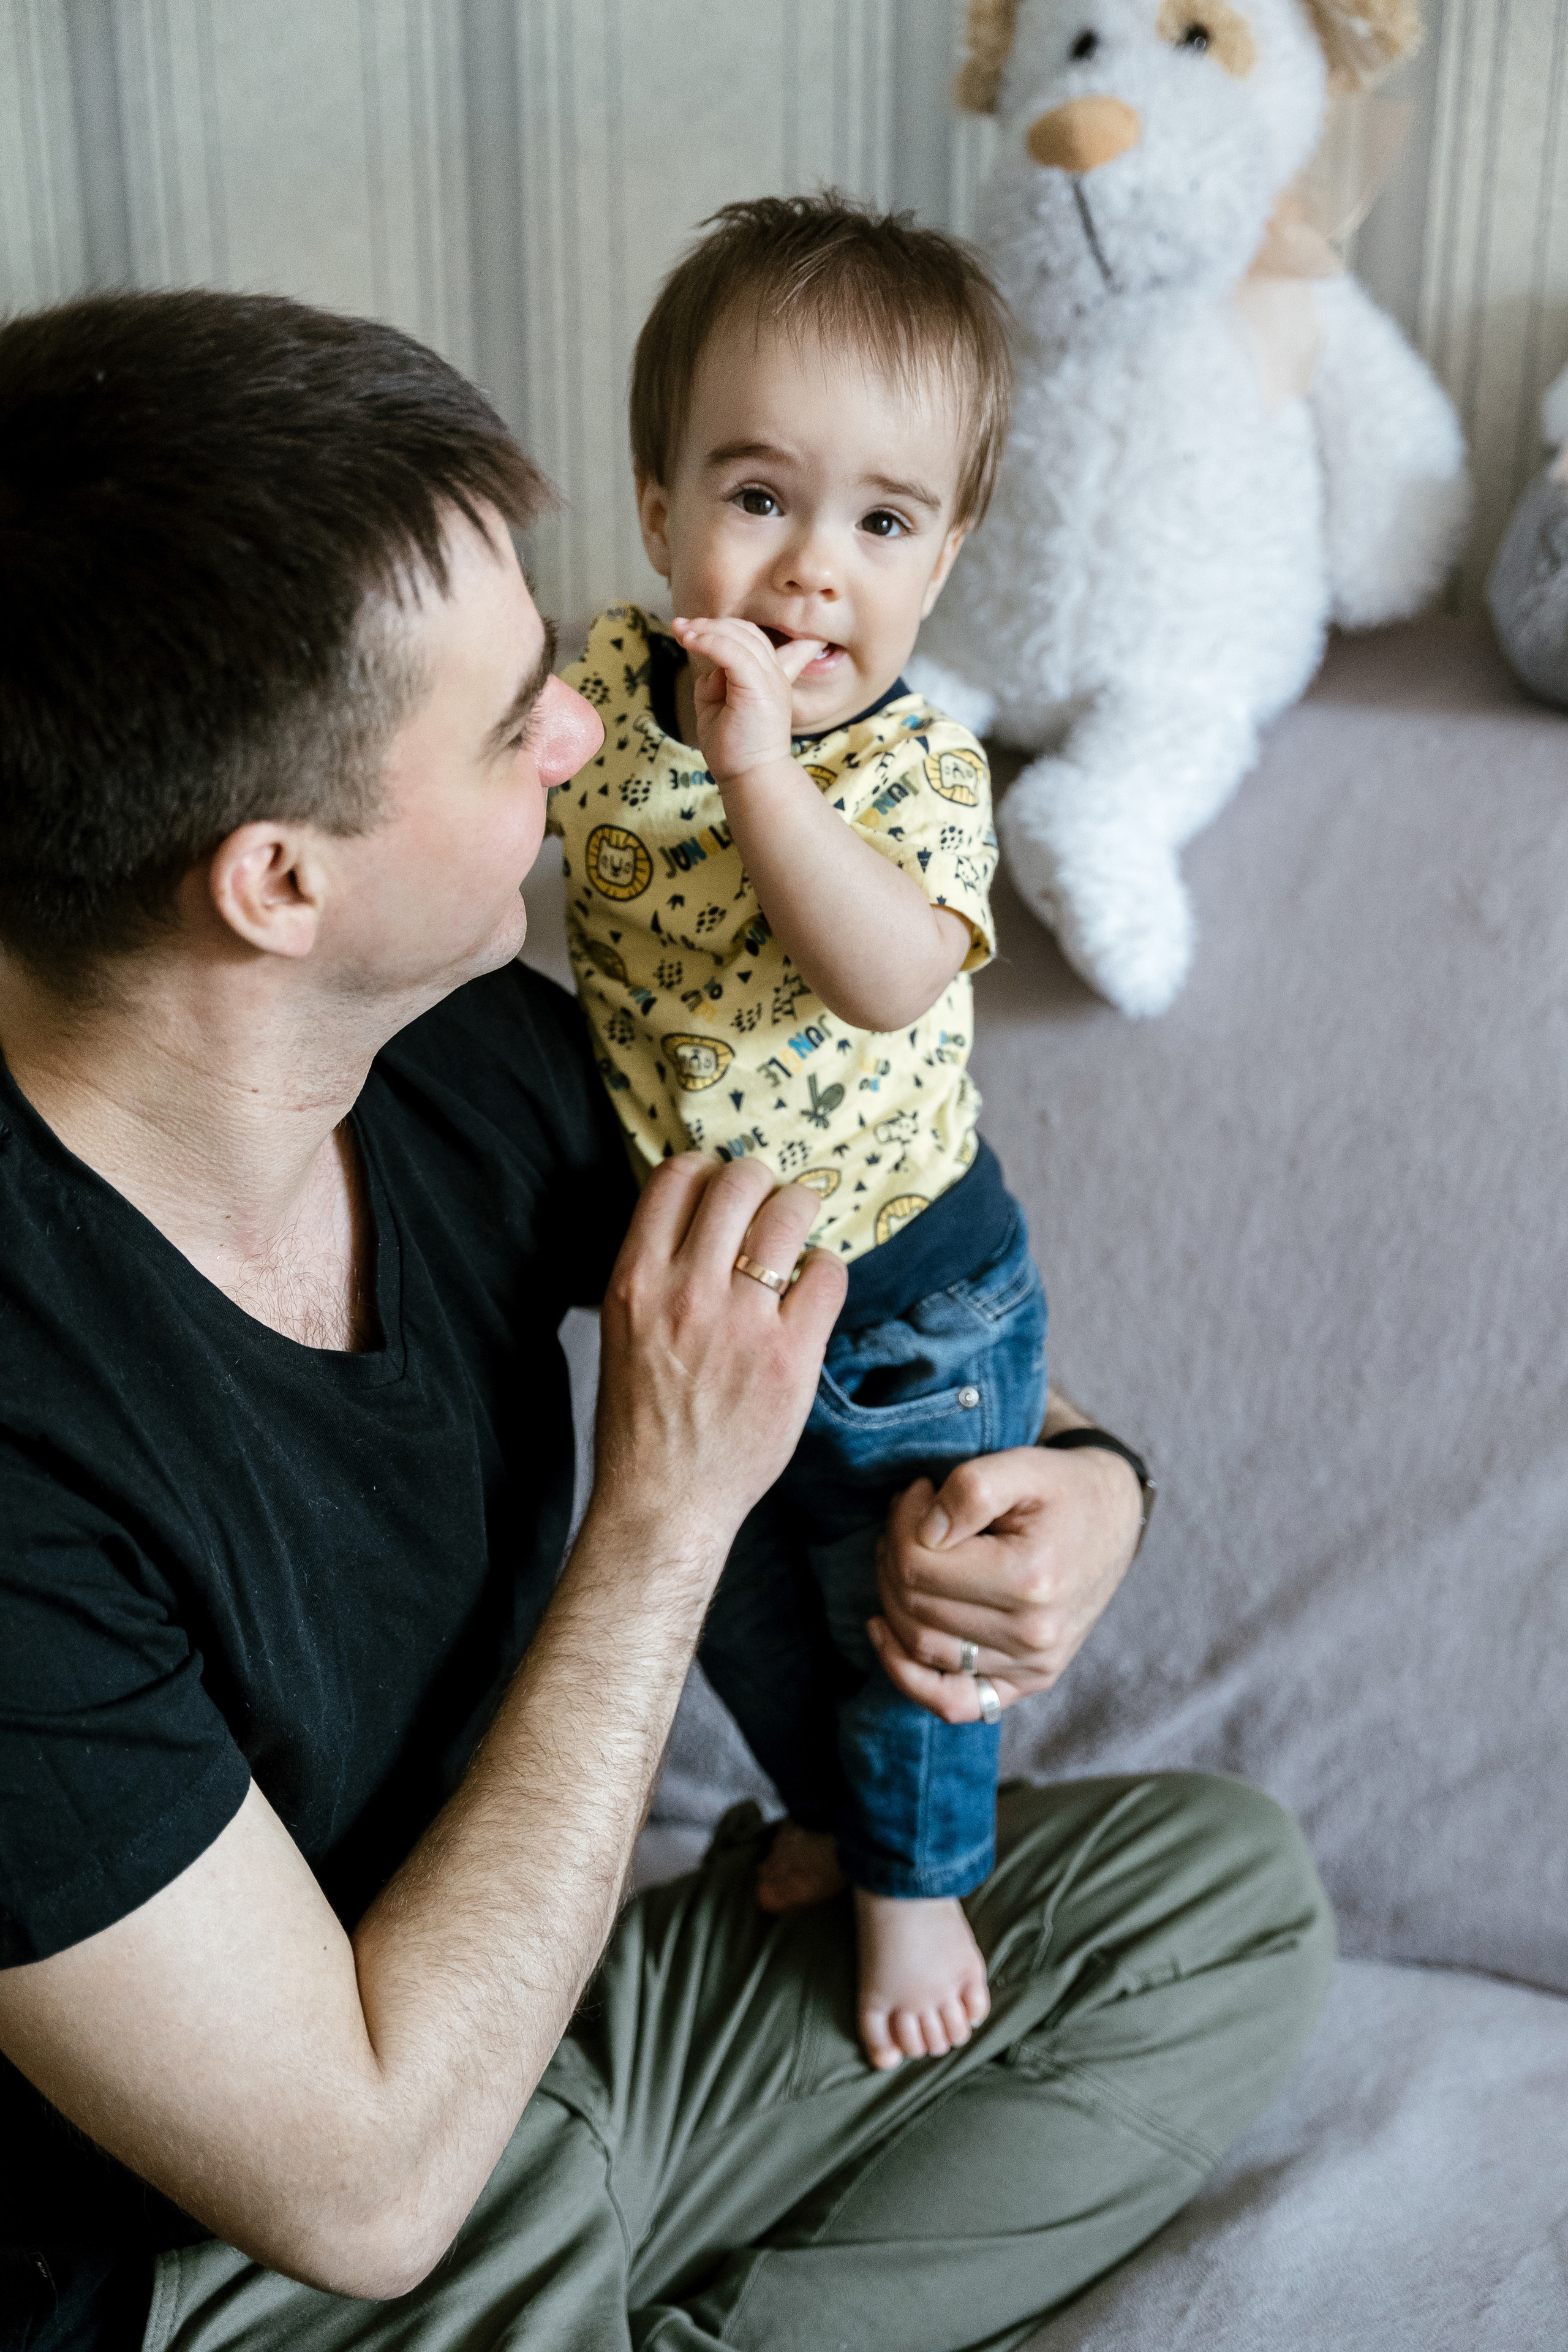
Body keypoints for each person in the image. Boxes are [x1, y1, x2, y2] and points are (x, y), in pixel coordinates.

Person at [0, 287, 1333, 2352]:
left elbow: (841, 1314)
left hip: (541, 2034)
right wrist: (664, 1516)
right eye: (508, 719)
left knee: (1213, 1905)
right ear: (278, 884)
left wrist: (1084, 1486)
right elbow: (360, 2191)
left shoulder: (458, 1069)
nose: (580, 734)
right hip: (239, 2258)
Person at [553, 194, 1060, 2068]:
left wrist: (760, 769)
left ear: (948, 558)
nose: (812, 573)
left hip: (913, 1297)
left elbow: (886, 974)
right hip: (716, 1296)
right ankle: (832, 1821)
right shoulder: (599, 692)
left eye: (883, 523)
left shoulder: (913, 769)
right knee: (733, 1615)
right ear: (657, 506)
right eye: (759, 497)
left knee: (904, 1619)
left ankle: (917, 1876)